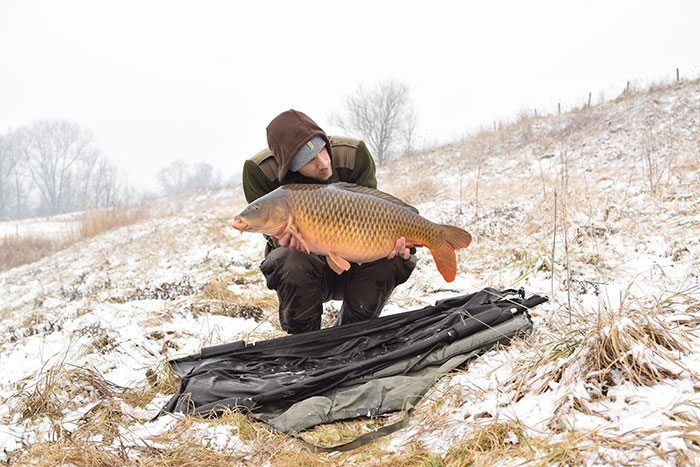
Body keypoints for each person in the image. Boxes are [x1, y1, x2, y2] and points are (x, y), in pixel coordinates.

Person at [241, 109, 417, 334]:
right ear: (288, 166)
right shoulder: (260, 172)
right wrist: (282, 240)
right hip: (307, 270)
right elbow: (269, 231)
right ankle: (306, 340)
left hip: (357, 263)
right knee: (287, 259)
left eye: (322, 150)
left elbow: (375, 214)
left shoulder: (353, 154)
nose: (324, 163)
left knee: (391, 257)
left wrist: (397, 244)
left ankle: (353, 330)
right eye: (308, 160)